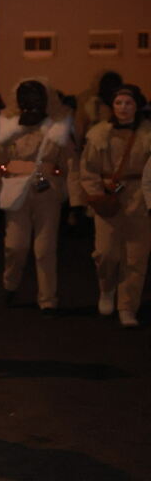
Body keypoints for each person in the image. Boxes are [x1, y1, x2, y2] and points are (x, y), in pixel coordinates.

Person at [0, 79, 75, 313]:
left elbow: (71, 163)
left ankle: (47, 300)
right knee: (16, 245)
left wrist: (77, 198)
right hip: (16, 191)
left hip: (48, 192)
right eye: (26, 97)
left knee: (45, 248)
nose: (30, 102)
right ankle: (10, 284)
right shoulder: (9, 128)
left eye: (35, 97)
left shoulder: (57, 128)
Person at [80, 84, 150, 328]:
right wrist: (97, 194)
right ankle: (107, 289)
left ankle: (128, 306)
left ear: (137, 106)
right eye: (119, 103)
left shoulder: (148, 134)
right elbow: (87, 169)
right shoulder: (99, 134)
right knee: (106, 253)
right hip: (108, 200)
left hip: (140, 200)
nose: (123, 108)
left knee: (136, 258)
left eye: (128, 103)